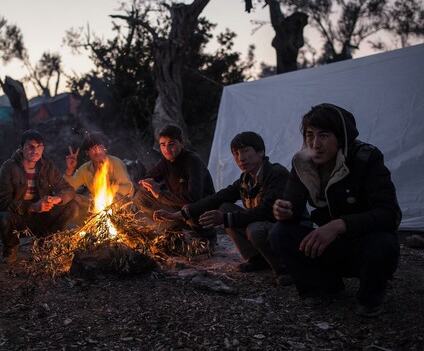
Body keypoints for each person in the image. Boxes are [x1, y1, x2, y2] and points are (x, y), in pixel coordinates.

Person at [271, 103, 401, 317]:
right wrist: (283, 210)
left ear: (341, 137)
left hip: (363, 244)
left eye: (324, 135)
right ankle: (323, 287)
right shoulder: (303, 164)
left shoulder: (366, 158)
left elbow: (389, 214)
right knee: (280, 232)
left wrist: (341, 225)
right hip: (330, 246)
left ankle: (370, 296)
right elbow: (291, 203)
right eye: (310, 135)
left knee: (383, 243)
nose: (315, 144)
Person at [154, 132, 293, 286]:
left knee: (255, 228)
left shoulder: (275, 173)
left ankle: (284, 269)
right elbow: (216, 198)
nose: (241, 158)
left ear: (260, 152)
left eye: (246, 151)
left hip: (287, 229)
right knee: (224, 206)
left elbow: (266, 211)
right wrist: (178, 215)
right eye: (236, 153)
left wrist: (225, 219)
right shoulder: (245, 179)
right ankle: (258, 259)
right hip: (265, 225)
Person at [0, 130, 80, 264]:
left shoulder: (48, 166)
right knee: (2, 217)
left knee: (72, 206)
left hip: (43, 216)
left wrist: (55, 199)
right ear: (22, 148)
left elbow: (68, 190)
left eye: (39, 146)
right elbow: (3, 202)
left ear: (43, 148)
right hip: (20, 218)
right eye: (30, 146)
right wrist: (32, 207)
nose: (35, 150)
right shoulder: (9, 167)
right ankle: (10, 248)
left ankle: (44, 241)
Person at [133, 124, 216, 240]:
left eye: (171, 144)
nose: (167, 149)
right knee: (140, 196)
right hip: (177, 209)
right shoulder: (165, 162)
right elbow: (148, 177)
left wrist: (160, 195)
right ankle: (174, 230)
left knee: (188, 207)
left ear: (182, 143)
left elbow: (194, 196)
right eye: (163, 145)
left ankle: (205, 236)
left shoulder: (192, 161)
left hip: (200, 210)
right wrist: (147, 182)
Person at [64, 131, 134, 216]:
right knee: (74, 198)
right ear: (87, 153)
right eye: (92, 148)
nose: (97, 151)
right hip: (97, 207)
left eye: (100, 147)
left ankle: (115, 224)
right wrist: (70, 169)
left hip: (120, 207)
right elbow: (68, 188)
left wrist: (115, 188)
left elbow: (130, 190)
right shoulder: (85, 169)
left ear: (105, 149)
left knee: (115, 197)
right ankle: (86, 225)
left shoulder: (115, 163)